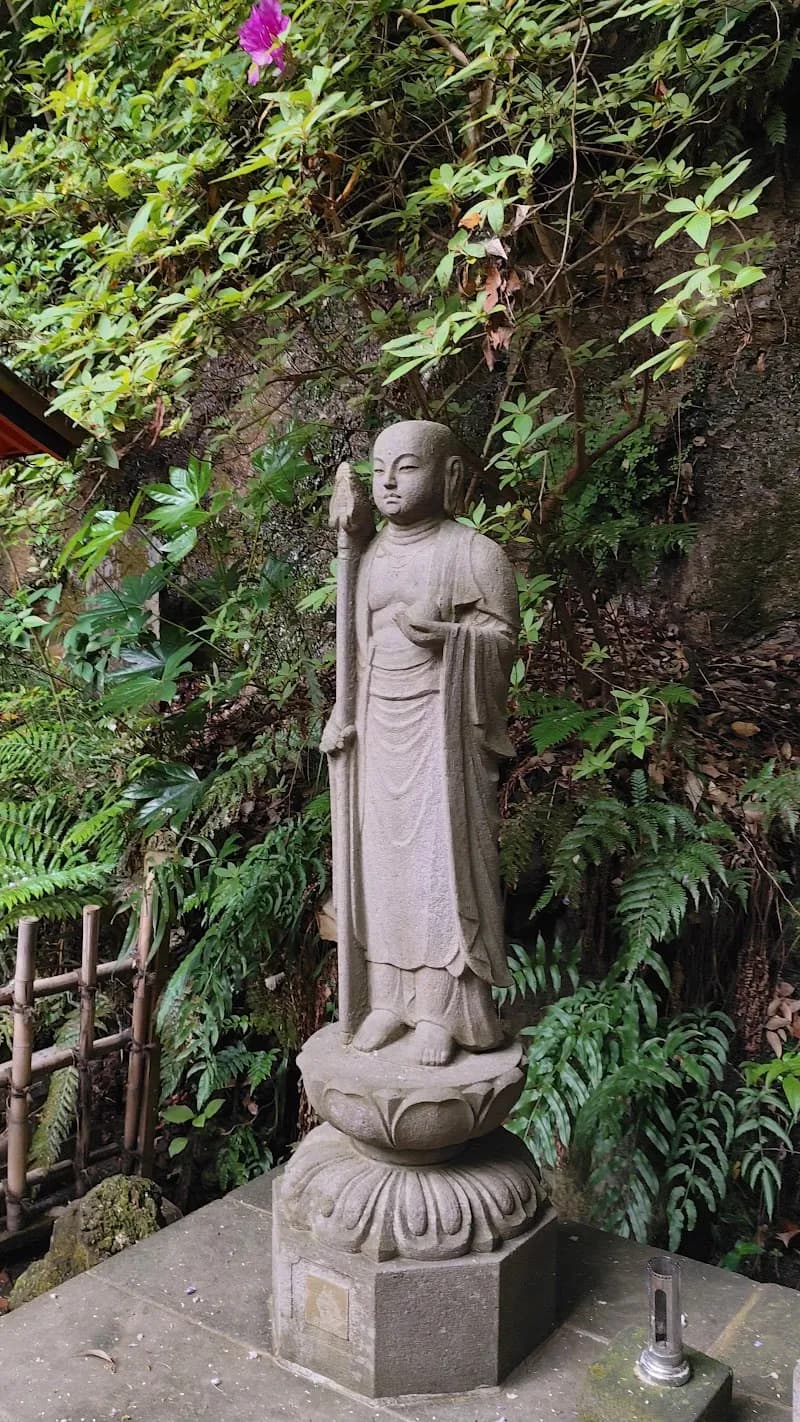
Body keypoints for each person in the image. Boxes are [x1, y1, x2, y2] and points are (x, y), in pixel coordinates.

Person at [322, 421, 519, 1065]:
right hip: (379, 727)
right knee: (382, 866)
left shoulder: (475, 554)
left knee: (443, 864)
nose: (387, 483)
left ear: (451, 477)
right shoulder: (370, 555)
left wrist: (453, 639)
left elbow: (503, 643)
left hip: (445, 730)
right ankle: (387, 1000)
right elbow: (356, 649)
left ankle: (443, 1009)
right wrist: (341, 711)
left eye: (406, 468)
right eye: (380, 469)